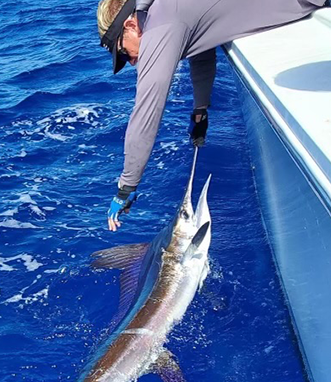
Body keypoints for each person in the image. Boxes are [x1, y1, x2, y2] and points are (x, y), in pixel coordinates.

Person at [99, 0, 327, 231]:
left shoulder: (159, 27)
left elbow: (145, 113)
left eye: (124, 53)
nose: (133, 61)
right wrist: (200, 110)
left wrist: (126, 187)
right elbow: (201, 51)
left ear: (130, 25)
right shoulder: (169, 8)